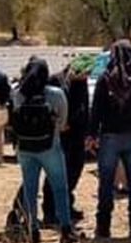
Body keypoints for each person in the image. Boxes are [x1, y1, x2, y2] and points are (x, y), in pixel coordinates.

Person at [87, 40, 131, 240]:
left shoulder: (105, 79)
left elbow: (96, 110)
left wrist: (91, 135)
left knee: (106, 183)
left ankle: (103, 227)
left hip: (109, 137)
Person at [10, 58, 78, 243]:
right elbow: (63, 124)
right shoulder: (56, 94)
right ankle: (65, 229)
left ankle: (32, 229)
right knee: (60, 188)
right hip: (50, 146)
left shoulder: (17, 94)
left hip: (25, 148)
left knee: (30, 190)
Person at [39, 55, 94, 225]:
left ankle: (66, 205)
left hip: (77, 136)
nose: (86, 77)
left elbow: (83, 107)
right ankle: (50, 210)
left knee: (74, 172)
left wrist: (87, 133)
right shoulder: (56, 81)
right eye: (84, 73)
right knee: (56, 174)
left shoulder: (81, 82)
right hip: (60, 135)